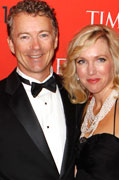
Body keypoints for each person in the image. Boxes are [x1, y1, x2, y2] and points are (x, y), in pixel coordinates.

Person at [0, 0, 85, 179]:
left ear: (55, 39)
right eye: (25, 37)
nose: (35, 46)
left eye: (43, 35)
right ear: (10, 44)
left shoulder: (78, 94)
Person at [62, 24, 119, 180]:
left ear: (114, 61)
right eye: (82, 61)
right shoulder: (84, 106)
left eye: (100, 59)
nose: (91, 70)